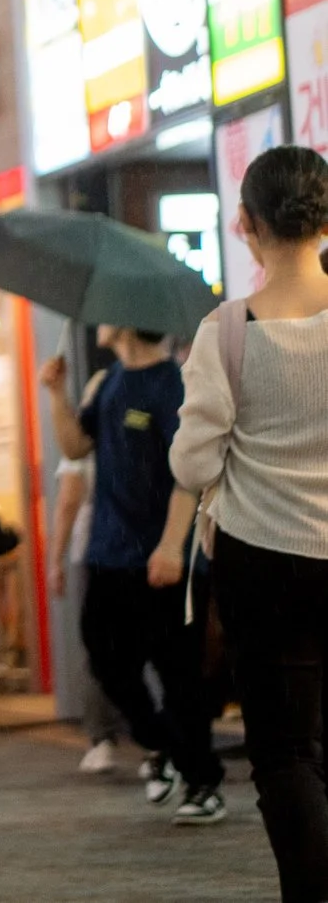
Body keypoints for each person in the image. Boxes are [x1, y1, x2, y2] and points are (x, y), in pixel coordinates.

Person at [159, 144, 328, 900]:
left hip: (264, 559)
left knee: (286, 752)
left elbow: (194, 464)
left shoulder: (225, 331)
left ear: (244, 223)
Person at [42, 323, 223, 821]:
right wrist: (56, 394)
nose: (96, 322)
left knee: (178, 672)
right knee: (105, 658)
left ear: (124, 320)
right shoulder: (107, 382)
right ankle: (164, 745)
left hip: (167, 556)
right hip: (108, 553)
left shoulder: (176, 384)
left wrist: (170, 547)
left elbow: (190, 472)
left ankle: (203, 784)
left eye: (105, 315)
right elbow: (77, 448)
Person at [50, 456, 130, 773]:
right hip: (148, 544)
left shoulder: (82, 438)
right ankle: (160, 746)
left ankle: (102, 740)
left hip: (97, 551)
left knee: (99, 647)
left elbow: (69, 499)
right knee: (152, 642)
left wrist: (55, 557)